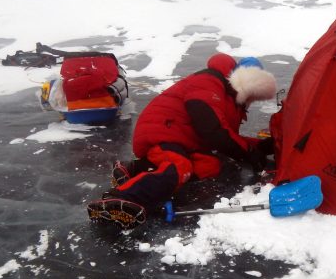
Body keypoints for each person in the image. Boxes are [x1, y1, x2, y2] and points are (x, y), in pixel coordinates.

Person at [87, 53, 277, 229]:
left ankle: (137, 169)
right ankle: (119, 198)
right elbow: (213, 131)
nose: (250, 102)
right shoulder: (209, 82)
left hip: (181, 137)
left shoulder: (228, 98)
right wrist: (251, 154)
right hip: (162, 130)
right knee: (180, 166)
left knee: (209, 165)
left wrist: (262, 145)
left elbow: (227, 137)